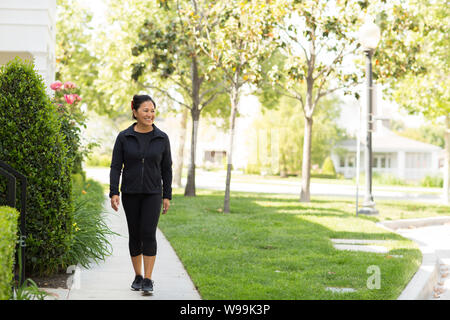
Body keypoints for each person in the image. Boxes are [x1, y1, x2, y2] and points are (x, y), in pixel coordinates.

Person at [109, 94, 172, 295]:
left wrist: (167, 195)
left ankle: (148, 278)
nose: (150, 114)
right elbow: (116, 166)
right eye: (145, 110)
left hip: (153, 193)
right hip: (131, 193)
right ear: (135, 111)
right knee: (135, 234)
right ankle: (137, 275)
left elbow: (167, 169)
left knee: (148, 233)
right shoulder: (124, 137)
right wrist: (114, 192)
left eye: (152, 110)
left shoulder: (162, 138)